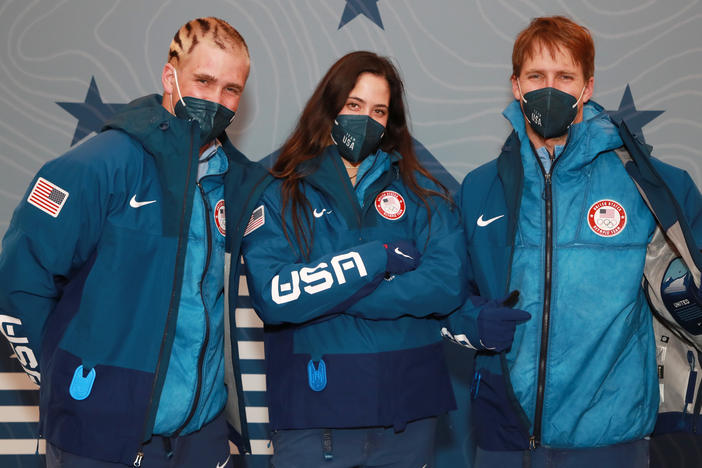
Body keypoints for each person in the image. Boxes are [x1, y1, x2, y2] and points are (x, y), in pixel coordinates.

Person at [0, 17, 270, 467]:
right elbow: (17, 280)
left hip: (200, 436)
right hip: (100, 436)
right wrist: (61, 379)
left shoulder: (235, 181)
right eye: (203, 81)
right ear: (170, 78)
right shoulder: (100, 165)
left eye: (231, 89)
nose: (217, 100)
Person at [442, 15, 702, 468]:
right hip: (504, 431)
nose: (550, 88)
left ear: (587, 87)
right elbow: (445, 295)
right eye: (536, 77)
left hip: (611, 436)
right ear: (516, 87)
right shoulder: (480, 188)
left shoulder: (648, 184)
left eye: (565, 77)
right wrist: (472, 322)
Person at [240, 51, 467, 467]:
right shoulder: (280, 195)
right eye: (354, 106)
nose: (366, 119)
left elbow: (446, 283)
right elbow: (275, 295)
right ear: (329, 109)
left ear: (391, 122)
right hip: (314, 417)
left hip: (408, 416)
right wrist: (373, 262)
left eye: (379, 110)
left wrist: (334, 292)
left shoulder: (424, 195)